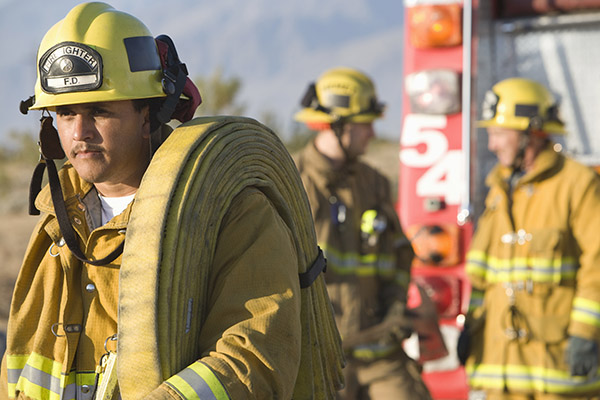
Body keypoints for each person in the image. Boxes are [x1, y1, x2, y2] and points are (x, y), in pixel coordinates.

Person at [0, 3, 343, 399]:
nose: (80, 132)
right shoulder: (60, 222)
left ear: (148, 115)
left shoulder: (231, 214)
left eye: (99, 111)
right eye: (65, 113)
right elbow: (22, 366)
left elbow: (253, 359)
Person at [294, 67, 432, 400]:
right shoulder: (291, 181)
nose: (372, 132)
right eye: (365, 123)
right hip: (318, 357)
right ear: (339, 125)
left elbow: (400, 253)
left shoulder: (375, 184)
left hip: (378, 352)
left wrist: (396, 306)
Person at [460, 77, 600, 399]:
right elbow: (485, 275)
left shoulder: (577, 185)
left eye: (498, 133)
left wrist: (586, 333)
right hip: (501, 370)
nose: (492, 145)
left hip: (553, 366)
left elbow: (597, 265)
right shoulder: (498, 190)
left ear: (531, 133)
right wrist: (472, 325)